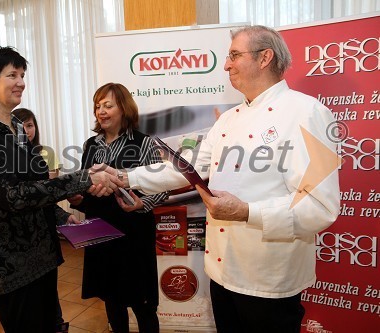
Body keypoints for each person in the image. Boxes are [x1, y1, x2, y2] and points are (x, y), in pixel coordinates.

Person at [106, 26, 341, 332]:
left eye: (234, 55)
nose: (226, 64)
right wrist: (125, 177)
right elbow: (188, 168)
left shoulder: (309, 113)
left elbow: (321, 206)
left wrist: (247, 211)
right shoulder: (229, 119)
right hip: (221, 272)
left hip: (267, 281)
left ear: (264, 57)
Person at [0, 44, 122, 333]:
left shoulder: (17, 127)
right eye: (12, 75)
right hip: (10, 264)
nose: (21, 82)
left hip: (42, 254)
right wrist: (85, 177)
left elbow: (35, 185)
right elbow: (11, 196)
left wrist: (61, 216)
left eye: (22, 74)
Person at [68, 83, 168, 333]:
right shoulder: (91, 145)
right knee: (111, 300)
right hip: (100, 232)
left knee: (142, 304)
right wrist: (77, 199)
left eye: (108, 105)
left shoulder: (144, 143)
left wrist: (142, 203)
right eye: (97, 106)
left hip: (134, 235)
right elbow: (85, 187)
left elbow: (163, 188)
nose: (101, 111)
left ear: (124, 108)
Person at [11, 107, 69, 332]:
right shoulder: (6, 158)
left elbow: (48, 195)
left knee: (48, 290)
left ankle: (56, 323)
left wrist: (63, 215)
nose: (26, 131)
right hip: (23, 241)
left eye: (30, 125)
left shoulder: (44, 153)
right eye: (20, 126)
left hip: (45, 233)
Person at [11, 108, 61, 178]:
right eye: (19, 127)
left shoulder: (48, 152)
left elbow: (53, 185)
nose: (25, 131)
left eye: (29, 126)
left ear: (35, 128)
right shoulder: (7, 153)